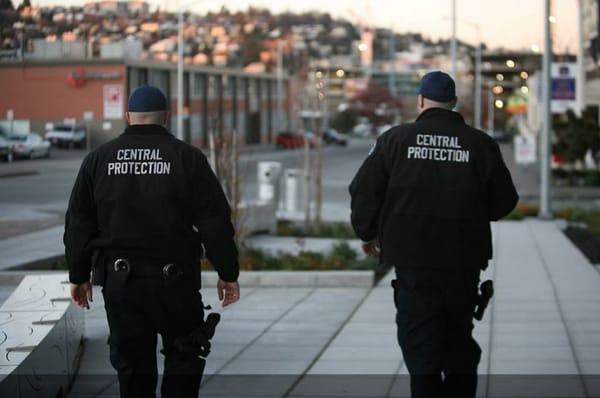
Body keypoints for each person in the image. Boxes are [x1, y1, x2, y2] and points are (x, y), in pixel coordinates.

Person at [349, 71, 518, 398]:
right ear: (454, 103)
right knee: (458, 342)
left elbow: (364, 191)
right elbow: (504, 201)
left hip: (413, 262)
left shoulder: (394, 140)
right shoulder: (480, 144)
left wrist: (368, 233)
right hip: (463, 260)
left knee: (420, 345)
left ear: (421, 101)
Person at [65, 85, 240, 398]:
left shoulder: (99, 159)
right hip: (176, 282)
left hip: (122, 284)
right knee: (184, 358)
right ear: (167, 117)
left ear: (129, 116)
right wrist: (228, 272)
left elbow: (79, 223)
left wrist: (78, 276)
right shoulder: (187, 158)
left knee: (133, 370)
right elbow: (215, 220)